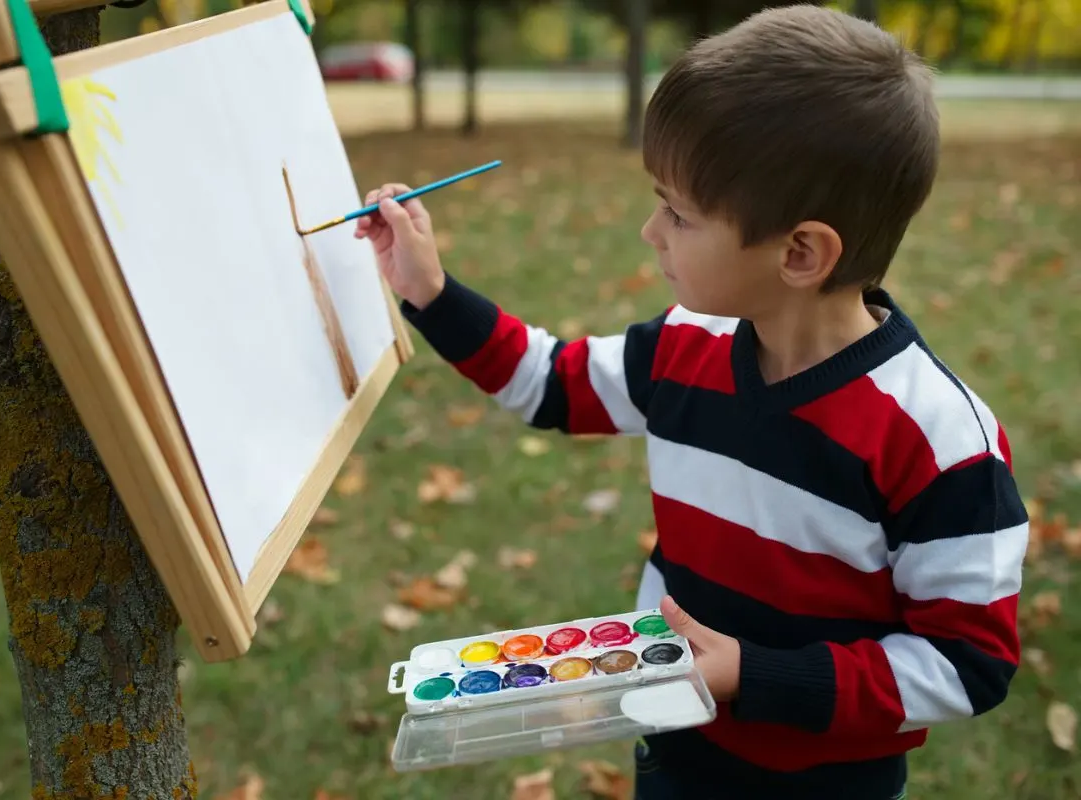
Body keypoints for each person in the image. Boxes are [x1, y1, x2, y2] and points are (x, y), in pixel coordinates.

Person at [355, 5, 1029, 799]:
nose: (651, 231)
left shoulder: (940, 442)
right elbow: (548, 382)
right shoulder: (685, 348)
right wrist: (429, 292)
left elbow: (967, 662)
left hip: (824, 783)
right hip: (674, 748)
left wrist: (755, 675)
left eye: (678, 212)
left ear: (800, 252)